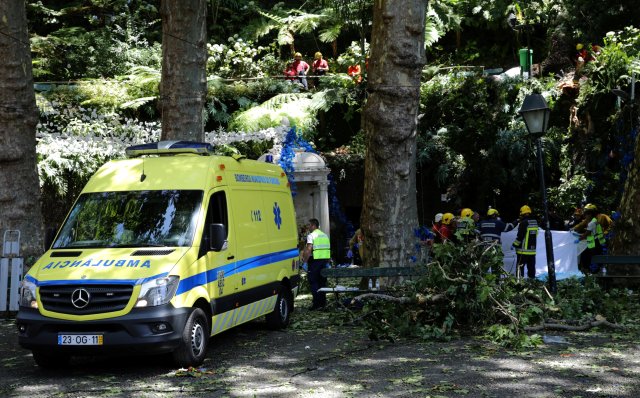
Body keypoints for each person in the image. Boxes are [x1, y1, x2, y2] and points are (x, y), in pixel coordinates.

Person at [301, 218, 330, 310]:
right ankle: (323, 303)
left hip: (314, 261)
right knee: (322, 282)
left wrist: (305, 261)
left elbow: (309, 249)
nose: (308, 227)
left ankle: (316, 304)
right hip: (324, 262)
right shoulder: (325, 235)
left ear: (313, 225)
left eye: (309, 225)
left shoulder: (311, 235)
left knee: (314, 282)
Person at [478, 208, 513, 275]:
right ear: (494, 215)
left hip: (484, 248)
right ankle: (496, 282)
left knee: (484, 267)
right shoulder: (498, 223)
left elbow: (476, 233)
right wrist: (516, 221)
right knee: (496, 266)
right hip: (495, 247)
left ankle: (483, 281)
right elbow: (508, 228)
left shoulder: (482, 223)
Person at [578, 204, 607, 274]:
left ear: (590, 214)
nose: (585, 216)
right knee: (590, 257)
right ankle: (591, 272)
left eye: (586, 215)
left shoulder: (592, 223)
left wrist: (578, 238)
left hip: (595, 244)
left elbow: (587, 234)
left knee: (585, 257)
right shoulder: (594, 220)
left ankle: (588, 272)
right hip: (597, 243)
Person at [512, 205, 538, 279]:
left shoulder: (524, 223)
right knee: (531, 268)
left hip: (523, 251)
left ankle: (520, 283)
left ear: (522, 213)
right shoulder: (535, 222)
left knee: (520, 268)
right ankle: (532, 282)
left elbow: (520, 236)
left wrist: (514, 244)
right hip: (532, 251)